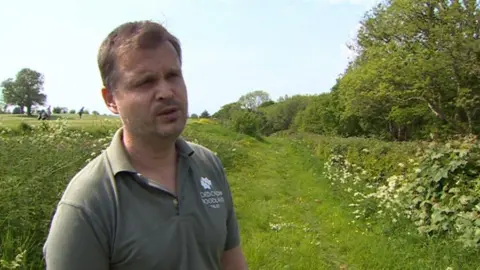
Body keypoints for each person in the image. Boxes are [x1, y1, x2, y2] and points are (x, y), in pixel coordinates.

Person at [43, 20, 248, 270]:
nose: (166, 92)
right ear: (111, 100)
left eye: (173, 76)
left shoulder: (209, 165)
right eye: (145, 82)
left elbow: (231, 260)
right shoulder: (87, 204)